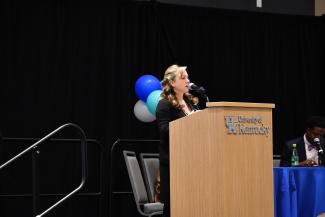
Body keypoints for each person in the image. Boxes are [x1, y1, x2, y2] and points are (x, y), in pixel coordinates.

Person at [156, 64, 199, 217]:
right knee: (175, 208)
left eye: (188, 77)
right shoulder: (164, 104)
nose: (188, 80)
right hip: (174, 166)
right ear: (172, 83)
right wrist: (188, 123)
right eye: (183, 78)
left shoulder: (190, 103)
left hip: (193, 163)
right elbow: (164, 131)